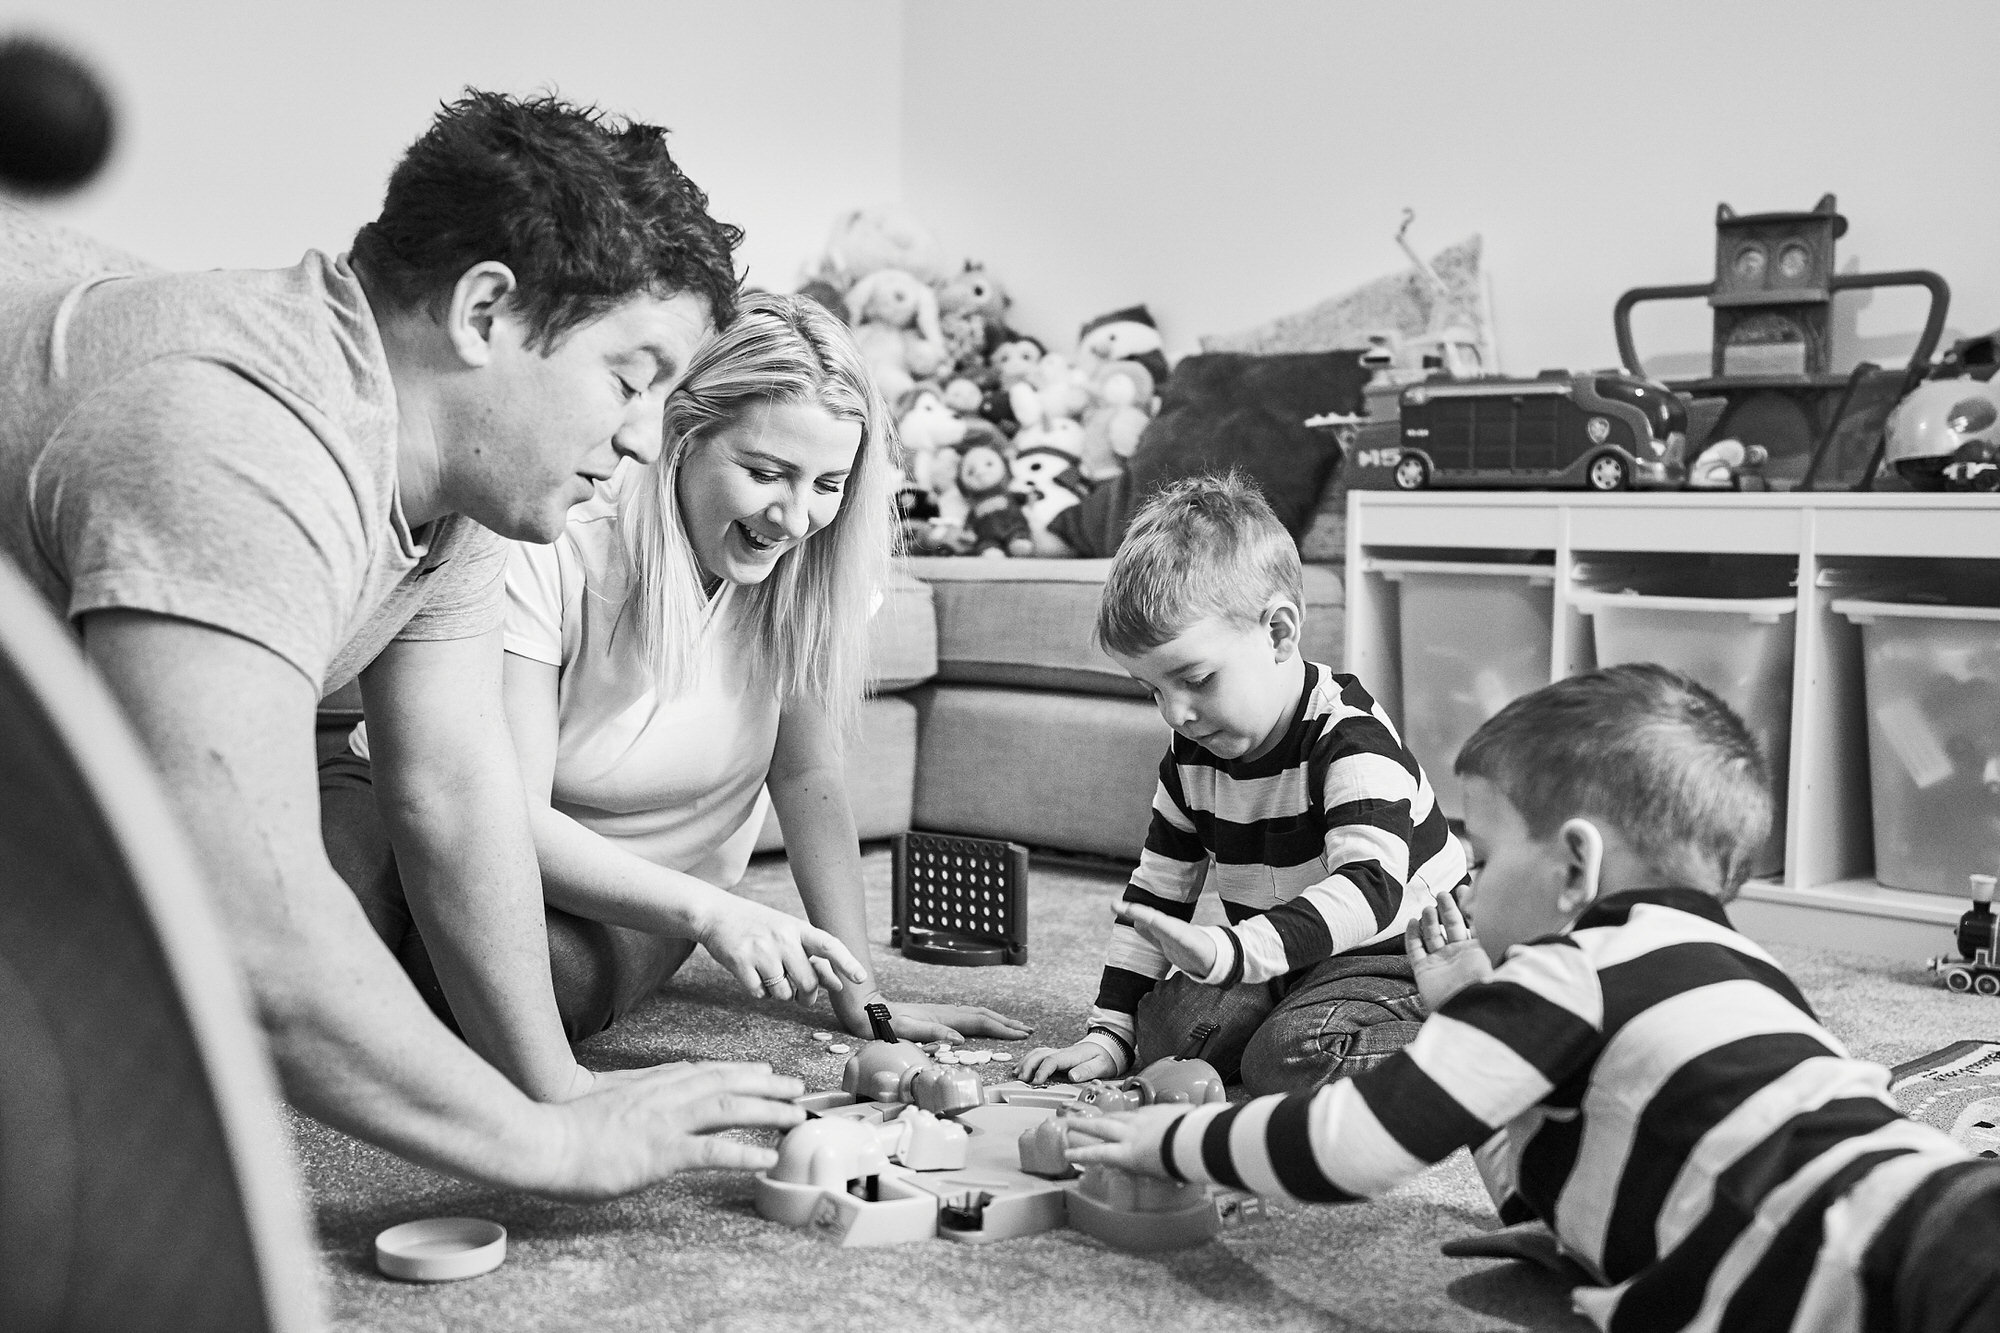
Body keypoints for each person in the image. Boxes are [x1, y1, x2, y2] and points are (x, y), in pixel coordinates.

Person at [0, 91, 811, 1200]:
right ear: (485, 312)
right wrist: (549, 1149)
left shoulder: (462, 483)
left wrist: (554, 1089)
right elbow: (249, 928)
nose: (638, 436)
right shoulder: (239, 438)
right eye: (630, 376)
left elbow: (448, 787)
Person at [1068, 664, 2000, 1332]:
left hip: (1920, 1258)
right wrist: (1469, 1016)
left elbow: (1356, 1148)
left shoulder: (1572, 971)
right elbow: (1541, 1184)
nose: (1465, 879)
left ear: (1574, 867)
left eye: (1482, 850)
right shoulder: (1747, 974)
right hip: (1929, 1206)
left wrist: (1170, 1143)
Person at [324, 291, 1030, 1045]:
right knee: (277, 938)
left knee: (488, 986)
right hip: (434, 808)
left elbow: (807, 777)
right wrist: (720, 914)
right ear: (684, 435)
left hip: (645, 884)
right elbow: (497, 814)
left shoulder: (823, 569)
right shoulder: (557, 534)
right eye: (766, 472)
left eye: (828, 485)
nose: (795, 519)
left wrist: (865, 995)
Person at [1021, 474, 1465, 1093]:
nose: (1175, 714)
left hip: (1395, 954)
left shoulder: (1350, 739)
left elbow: (1370, 892)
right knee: (1166, 1042)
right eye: (1154, 690)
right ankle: (1273, 1006)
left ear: (1280, 633)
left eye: (1197, 679)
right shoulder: (1190, 757)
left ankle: (1476, 1026)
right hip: (1277, 948)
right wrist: (1109, 1032)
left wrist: (1232, 953)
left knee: (1288, 1058)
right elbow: (1157, 893)